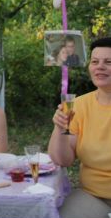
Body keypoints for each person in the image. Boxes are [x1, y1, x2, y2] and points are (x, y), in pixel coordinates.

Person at [48, 37, 111, 218]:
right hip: (92, 195)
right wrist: (60, 128)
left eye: (108, 62)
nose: (100, 67)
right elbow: (63, 160)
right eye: (95, 62)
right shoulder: (79, 105)